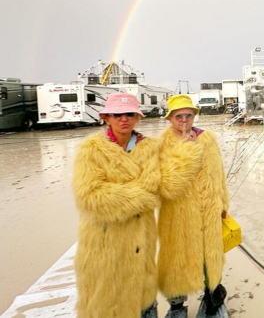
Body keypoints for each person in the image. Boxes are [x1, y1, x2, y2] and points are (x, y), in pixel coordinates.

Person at [72, 92, 161, 318]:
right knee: (107, 298)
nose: (124, 119)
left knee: (143, 296)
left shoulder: (151, 148)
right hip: (105, 239)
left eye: (130, 114)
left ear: (138, 118)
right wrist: (142, 197)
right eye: (118, 114)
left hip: (142, 237)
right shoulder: (91, 150)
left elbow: (157, 185)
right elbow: (90, 195)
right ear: (106, 118)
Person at [158, 95, 230, 318]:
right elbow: (165, 183)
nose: (184, 120)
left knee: (210, 256)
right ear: (170, 118)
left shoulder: (207, 139)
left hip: (208, 209)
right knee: (177, 260)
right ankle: (177, 305)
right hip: (177, 213)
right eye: (179, 116)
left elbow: (218, 175)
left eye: (188, 115)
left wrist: (223, 203)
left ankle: (212, 298)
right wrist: (187, 150)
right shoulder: (162, 144)